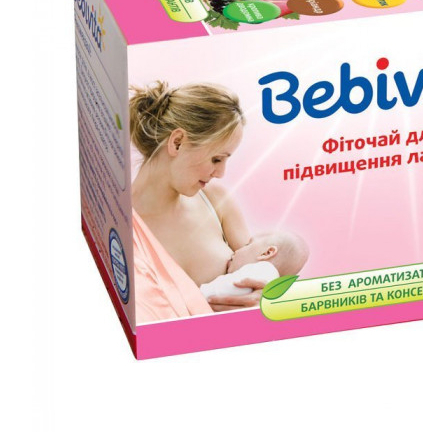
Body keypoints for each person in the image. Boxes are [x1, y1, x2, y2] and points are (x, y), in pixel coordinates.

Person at [129, 82, 308, 322]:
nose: (221, 173)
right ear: (177, 142)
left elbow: (265, 266)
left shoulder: (216, 202)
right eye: (216, 159)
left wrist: (266, 297)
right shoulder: (122, 224)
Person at [198, 232, 297, 301]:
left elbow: (213, 294)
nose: (236, 251)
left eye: (247, 245)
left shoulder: (263, 271)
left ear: (266, 253)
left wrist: (198, 293)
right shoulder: (267, 279)